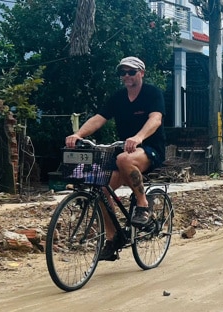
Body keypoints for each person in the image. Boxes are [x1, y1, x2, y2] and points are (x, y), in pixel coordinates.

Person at [65, 56, 166, 261]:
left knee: (124, 160)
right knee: (101, 188)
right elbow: (98, 118)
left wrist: (138, 137)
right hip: (124, 149)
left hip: (149, 148)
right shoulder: (118, 98)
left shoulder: (152, 93)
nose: (126, 76)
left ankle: (142, 204)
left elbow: (155, 119)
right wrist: (78, 135)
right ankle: (113, 238)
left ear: (141, 73)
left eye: (131, 72)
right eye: (123, 72)